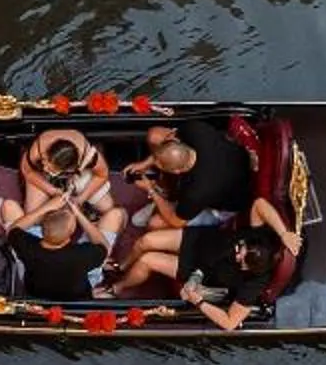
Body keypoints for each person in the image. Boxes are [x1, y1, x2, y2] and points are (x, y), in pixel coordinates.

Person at [111, 193, 301, 325]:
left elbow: (230, 322)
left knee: (147, 260)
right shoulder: (262, 238)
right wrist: (284, 234)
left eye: (240, 259)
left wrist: (199, 302)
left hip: (197, 269)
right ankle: (121, 267)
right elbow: (260, 204)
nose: (236, 254)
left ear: (249, 270)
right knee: (145, 241)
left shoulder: (254, 285)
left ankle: (116, 288)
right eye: (240, 248)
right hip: (200, 241)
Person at [119, 117, 254, 230]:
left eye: (161, 166)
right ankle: (168, 195)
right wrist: (144, 164)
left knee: (155, 224)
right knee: (155, 135)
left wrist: (150, 190)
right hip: (230, 165)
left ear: (177, 172)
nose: (154, 163)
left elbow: (176, 222)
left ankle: (166, 201)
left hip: (223, 206)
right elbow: (169, 139)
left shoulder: (197, 192)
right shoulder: (195, 130)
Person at [18, 128, 124, 250]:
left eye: (52, 169)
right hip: (40, 175)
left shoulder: (88, 155)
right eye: (47, 164)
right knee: (33, 215)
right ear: (46, 155)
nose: (47, 168)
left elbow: (102, 175)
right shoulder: (37, 151)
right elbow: (28, 172)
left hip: (78, 175)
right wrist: (51, 190)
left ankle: (97, 233)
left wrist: (82, 198)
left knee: (108, 208)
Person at [0, 196, 108, 304]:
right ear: (70, 235)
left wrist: (46, 207)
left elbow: (13, 229)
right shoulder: (81, 255)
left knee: (2, 205)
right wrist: (79, 215)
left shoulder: (29, 247)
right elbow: (103, 245)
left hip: (36, 295)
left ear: (41, 231)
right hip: (74, 300)